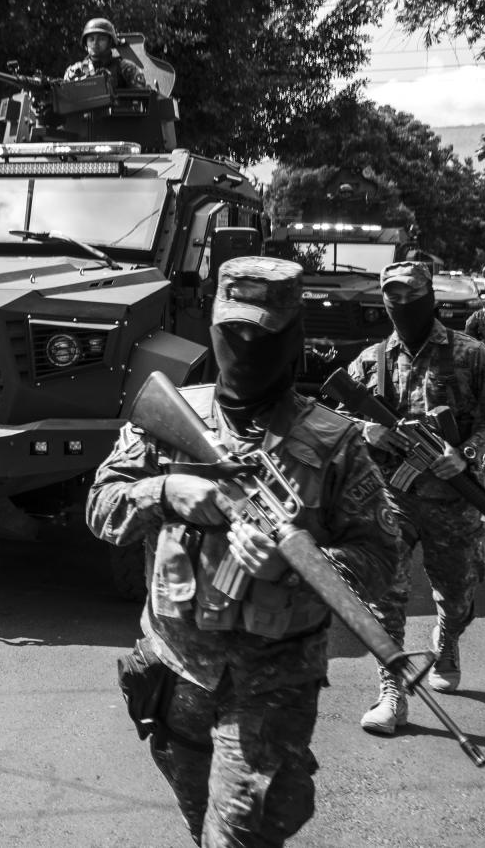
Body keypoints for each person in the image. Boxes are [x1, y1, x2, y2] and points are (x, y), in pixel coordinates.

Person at [89, 256, 397, 848]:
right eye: (233, 332)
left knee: (240, 836)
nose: (246, 345)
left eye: (264, 335)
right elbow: (102, 510)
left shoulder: (335, 444)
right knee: (200, 822)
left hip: (271, 688)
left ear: (293, 338)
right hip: (174, 673)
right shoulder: (168, 418)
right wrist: (165, 491)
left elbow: (380, 561)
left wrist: (299, 564)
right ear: (212, 329)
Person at [344, 261, 485, 734]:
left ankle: (447, 637)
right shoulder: (372, 358)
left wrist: (466, 454)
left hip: (453, 502)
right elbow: (333, 421)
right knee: (384, 597)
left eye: (410, 297)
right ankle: (392, 692)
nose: (401, 306)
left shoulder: (470, 353)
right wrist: (367, 430)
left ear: (429, 299)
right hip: (389, 498)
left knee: (459, 594)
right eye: (392, 297)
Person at [62, 17, 147, 89]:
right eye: (91, 39)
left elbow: (142, 97)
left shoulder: (126, 68)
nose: (95, 43)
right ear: (85, 43)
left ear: (110, 42)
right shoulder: (76, 71)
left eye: (101, 39)